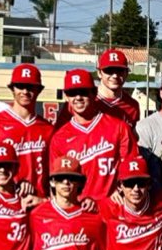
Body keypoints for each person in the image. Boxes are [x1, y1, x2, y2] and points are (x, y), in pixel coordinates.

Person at [51, 68, 140, 203]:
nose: (78, 98)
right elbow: (55, 183)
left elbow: (132, 167)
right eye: (73, 93)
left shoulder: (119, 127)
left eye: (84, 92)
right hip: (78, 209)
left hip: (112, 207)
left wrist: (121, 189)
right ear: (66, 96)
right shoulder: (59, 137)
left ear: (94, 93)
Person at [0, 63, 54, 199]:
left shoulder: (48, 129)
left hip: (38, 201)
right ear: (12, 89)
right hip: (4, 203)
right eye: (20, 86)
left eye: (30, 87)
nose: (25, 91)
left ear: (39, 90)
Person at [92, 48, 141, 125]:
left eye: (120, 71)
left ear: (127, 73)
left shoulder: (133, 106)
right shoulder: (87, 101)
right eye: (109, 71)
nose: (115, 76)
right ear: (99, 73)